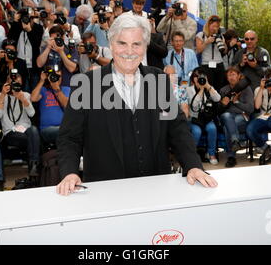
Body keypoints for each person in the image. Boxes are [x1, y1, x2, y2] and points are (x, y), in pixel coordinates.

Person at [56, 14, 217, 195]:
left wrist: (193, 165)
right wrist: (69, 172)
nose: (129, 51)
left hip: (156, 190)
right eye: (122, 43)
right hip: (105, 194)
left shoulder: (158, 81)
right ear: (110, 45)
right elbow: (70, 138)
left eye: (136, 44)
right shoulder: (87, 85)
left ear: (145, 47)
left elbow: (177, 130)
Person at [0, 75, 39, 177]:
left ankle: (34, 165)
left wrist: (23, 99)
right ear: (7, 83)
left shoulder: (26, 95)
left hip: (26, 129)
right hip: (10, 131)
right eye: (13, 83)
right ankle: (34, 165)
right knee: (33, 139)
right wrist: (3, 94)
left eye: (17, 83)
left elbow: (32, 114)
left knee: (34, 130)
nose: (15, 86)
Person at [218, 67, 254, 167]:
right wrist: (223, 105)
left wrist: (236, 102)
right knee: (226, 116)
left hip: (242, 117)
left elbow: (250, 109)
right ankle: (235, 142)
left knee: (228, 126)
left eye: (233, 74)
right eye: (229, 75)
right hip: (228, 116)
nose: (231, 77)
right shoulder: (223, 90)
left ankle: (231, 157)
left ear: (239, 76)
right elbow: (219, 111)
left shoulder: (246, 89)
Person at [186, 67, 221, 165]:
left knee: (212, 128)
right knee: (197, 131)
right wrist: (201, 91)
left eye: (201, 76)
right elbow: (194, 106)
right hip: (194, 119)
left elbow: (218, 98)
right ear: (193, 78)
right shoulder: (188, 90)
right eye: (196, 76)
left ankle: (211, 154)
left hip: (206, 118)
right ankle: (191, 156)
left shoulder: (208, 87)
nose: (198, 78)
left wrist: (208, 86)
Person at [30, 67, 70, 146]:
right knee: (65, 132)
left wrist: (57, 89)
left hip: (64, 127)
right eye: (54, 76)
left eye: (59, 76)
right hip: (47, 129)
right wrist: (42, 80)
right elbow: (33, 98)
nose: (56, 79)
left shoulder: (66, 89)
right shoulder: (44, 90)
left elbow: (67, 105)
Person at [8, 7, 44, 91]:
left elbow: (36, 44)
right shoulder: (17, 27)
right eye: (24, 18)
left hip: (33, 63)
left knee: (34, 88)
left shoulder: (38, 28)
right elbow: (10, 39)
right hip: (20, 62)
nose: (27, 20)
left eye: (29, 18)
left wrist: (29, 30)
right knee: (22, 88)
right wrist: (15, 21)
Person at [196, 15, 228, 90]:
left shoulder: (220, 36)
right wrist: (207, 42)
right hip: (207, 65)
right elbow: (198, 50)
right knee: (208, 88)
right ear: (208, 25)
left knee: (219, 87)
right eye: (213, 26)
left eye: (217, 26)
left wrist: (224, 43)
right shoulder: (201, 35)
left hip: (219, 64)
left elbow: (225, 51)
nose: (215, 28)